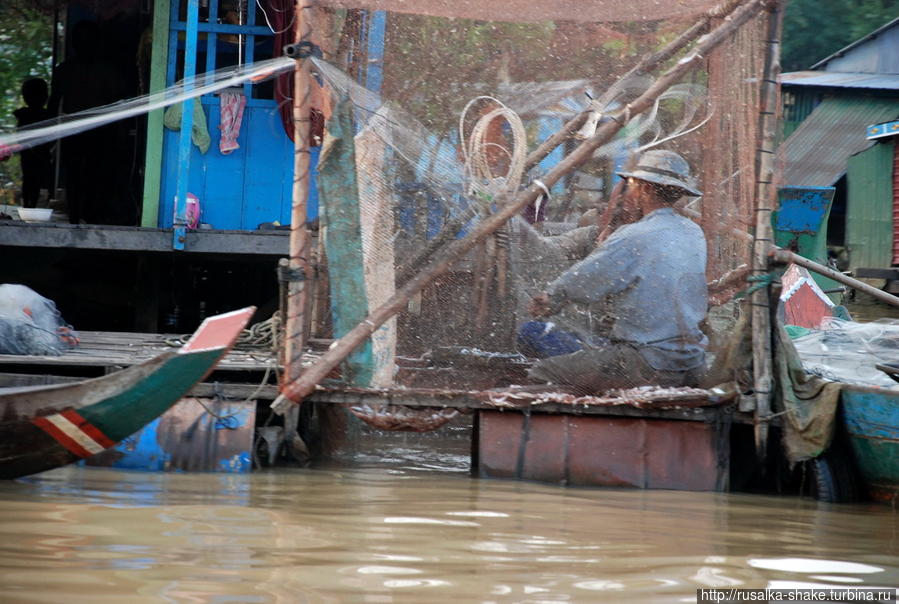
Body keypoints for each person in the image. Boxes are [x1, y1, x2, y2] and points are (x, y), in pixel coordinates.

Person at [519, 149, 708, 393]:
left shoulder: (633, 236)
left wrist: (551, 299)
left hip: (648, 361)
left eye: (632, 184)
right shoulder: (693, 233)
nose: (630, 192)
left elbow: (586, 278)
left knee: (543, 372)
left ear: (646, 189)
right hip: (692, 360)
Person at [13, 78, 53, 208]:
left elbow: (20, 135)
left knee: (29, 179)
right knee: (35, 180)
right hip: (42, 153)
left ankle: (27, 205)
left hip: (29, 153)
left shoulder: (24, 115)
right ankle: (32, 205)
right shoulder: (47, 115)